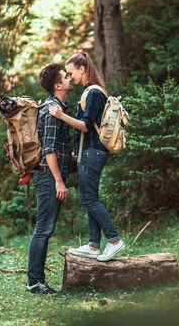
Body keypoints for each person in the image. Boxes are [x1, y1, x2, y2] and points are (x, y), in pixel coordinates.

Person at [49, 52, 125, 262]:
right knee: (89, 197)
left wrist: (61, 116)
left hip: (93, 152)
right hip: (88, 152)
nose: (69, 77)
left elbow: (84, 125)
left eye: (71, 73)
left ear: (82, 69)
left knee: (89, 198)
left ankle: (114, 240)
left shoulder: (93, 93)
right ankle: (93, 246)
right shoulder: (88, 92)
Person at [26, 63, 73, 294]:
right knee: (43, 229)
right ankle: (34, 282)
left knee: (45, 228)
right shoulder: (53, 111)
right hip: (47, 176)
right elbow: (50, 149)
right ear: (57, 85)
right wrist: (58, 180)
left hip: (47, 174)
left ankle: (37, 280)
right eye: (66, 76)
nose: (70, 78)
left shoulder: (57, 108)